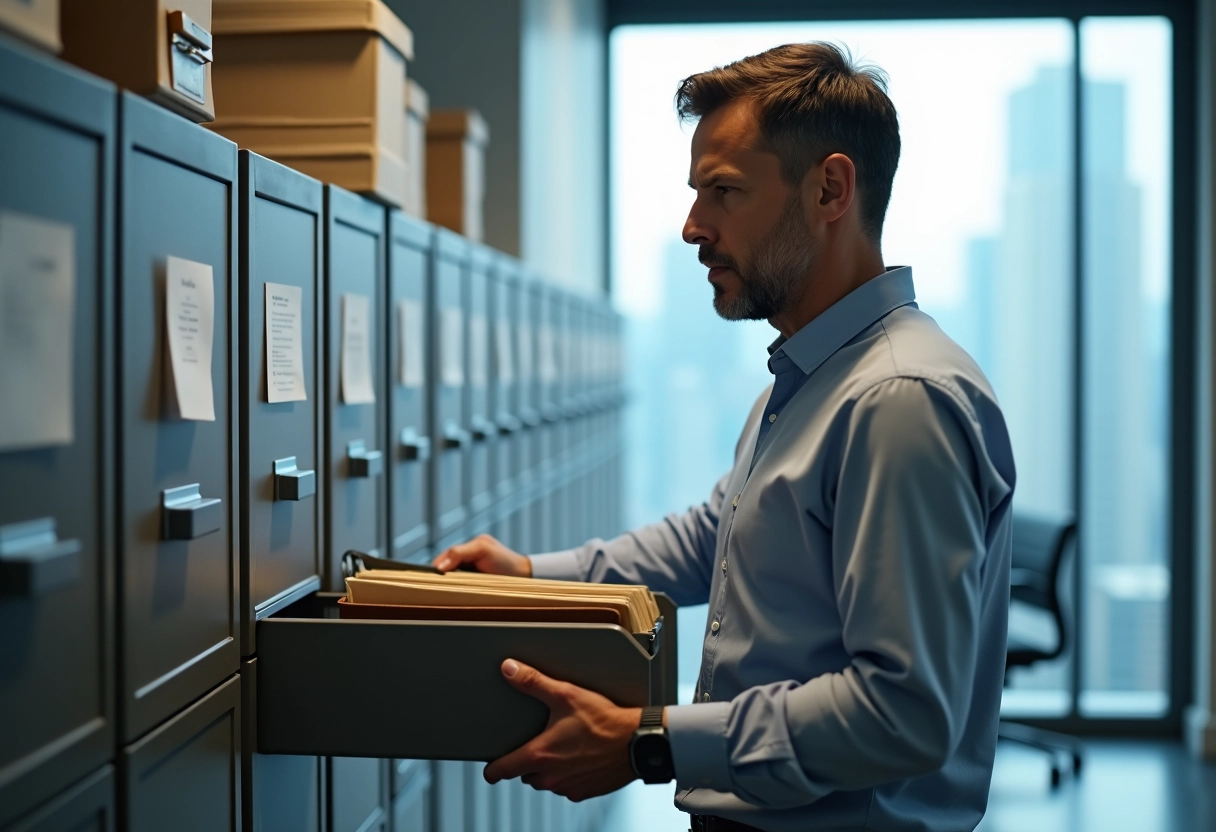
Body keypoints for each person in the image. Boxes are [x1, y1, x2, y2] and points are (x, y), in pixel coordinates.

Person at [434, 41, 1015, 832]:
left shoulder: (895, 400)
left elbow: (902, 711)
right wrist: (531, 577)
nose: (692, 227)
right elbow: (717, 542)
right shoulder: (808, 379)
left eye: (724, 192)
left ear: (830, 189)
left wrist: (650, 741)